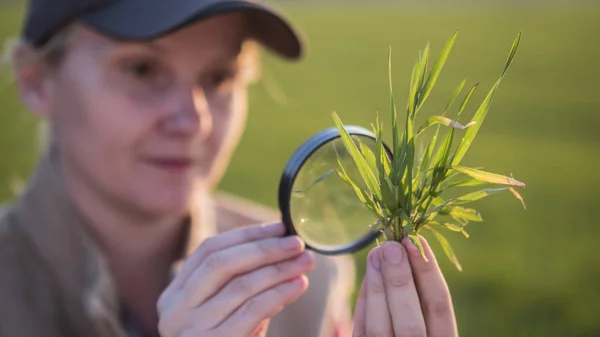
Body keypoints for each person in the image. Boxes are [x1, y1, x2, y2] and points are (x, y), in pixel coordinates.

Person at [0, 0, 459, 336]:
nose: (194, 119)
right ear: (36, 80)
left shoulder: (306, 285)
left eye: (219, 77)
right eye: (141, 69)